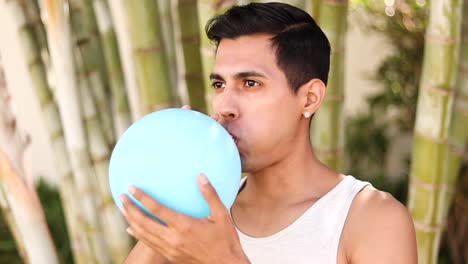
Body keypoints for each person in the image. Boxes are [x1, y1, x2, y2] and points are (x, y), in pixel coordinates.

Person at [119, 2, 417, 263]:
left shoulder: (370, 220)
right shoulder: (198, 215)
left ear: (310, 98)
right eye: (219, 85)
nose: (224, 106)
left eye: (250, 83)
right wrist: (172, 200)